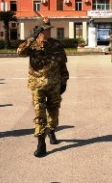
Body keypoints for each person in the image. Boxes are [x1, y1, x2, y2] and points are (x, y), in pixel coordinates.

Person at [17, 17, 69, 157]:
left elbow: (62, 64)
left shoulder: (56, 44)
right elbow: (19, 52)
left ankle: (51, 130)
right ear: (39, 31)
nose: (48, 32)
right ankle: (41, 143)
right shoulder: (31, 45)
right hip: (37, 85)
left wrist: (64, 81)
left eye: (49, 29)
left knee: (53, 112)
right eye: (45, 30)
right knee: (40, 114)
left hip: (54, 84)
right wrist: (31, 38)